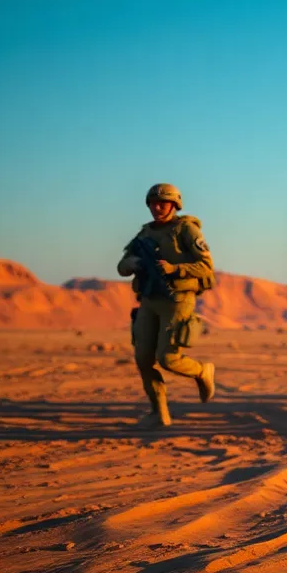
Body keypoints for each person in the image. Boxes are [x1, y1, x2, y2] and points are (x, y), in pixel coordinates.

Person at [115, 183, 216, 428]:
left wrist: (175, 269)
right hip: (149, 299)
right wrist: (133, 264)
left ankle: (202, 371)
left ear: (174, 205)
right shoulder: (144, 234)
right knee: (142, 358)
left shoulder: (186, 230)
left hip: (177, 299)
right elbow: (121, 266)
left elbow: (206, 266)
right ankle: (159, 413)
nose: (157, 208)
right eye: (153, 203)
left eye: (163, 203)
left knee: (168, 358)